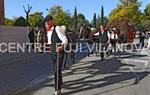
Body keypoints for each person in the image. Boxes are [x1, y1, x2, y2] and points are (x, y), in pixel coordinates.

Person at [45, 15, 68, 95]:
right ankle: (60, 83)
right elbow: (49, 42)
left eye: (49, 20)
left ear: (52, 21)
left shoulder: (57, 28)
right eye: (46, 21)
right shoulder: (47, 30)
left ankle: (57, 90)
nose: (47, 22)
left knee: (56, 70)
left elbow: (65, 39)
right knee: (57, 70)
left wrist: (62, 46)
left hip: (59, 53)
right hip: (52, 54)